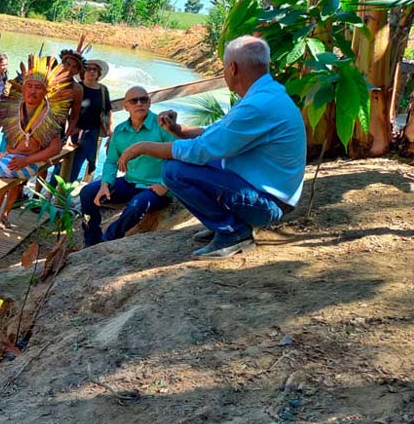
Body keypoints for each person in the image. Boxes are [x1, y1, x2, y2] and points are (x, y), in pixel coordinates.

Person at [118, 35, 307, 259]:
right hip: (265, 194)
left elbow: (201, 150)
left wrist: (142, 147)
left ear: (233, 68)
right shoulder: (264, 95)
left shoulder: (258, 105)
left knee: (174, 171)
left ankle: (233, 231)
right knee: (183, 163)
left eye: (223, 68)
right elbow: (217, 132)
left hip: (267, 204)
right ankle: (227, 223)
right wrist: (178, 129)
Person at [0, 55, 70, 242]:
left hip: (29, 161)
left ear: (45, 91)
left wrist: (28, 160)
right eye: (29, 86)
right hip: (10, 156)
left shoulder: (51, 113)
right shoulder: (12, 106)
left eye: (38, 87)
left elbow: (55, 148)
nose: (33, 91)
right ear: (23, 88)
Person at [78, 86, 176, 247]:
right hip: (130, 182)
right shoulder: (120, 130)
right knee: (88, 192)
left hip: (156, 187)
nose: (139, 104)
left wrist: (165, 184)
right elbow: (110, 162)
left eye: (143, 99)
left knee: (136, 206)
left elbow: (178, 156)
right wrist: (105, 184)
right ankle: (91, 239)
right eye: (134, 101)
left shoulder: (163, 126)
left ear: (149, 102)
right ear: (126, 106)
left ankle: (107, 240)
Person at [66, 59, 112, 183]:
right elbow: (65, 110)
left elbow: (108, 110)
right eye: (88, 69)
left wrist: (109, 129)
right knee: (62, 164)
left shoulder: (103, 90)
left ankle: (64, 197)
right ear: (83, 72)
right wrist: (68, 130)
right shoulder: (77, 88)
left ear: (98, 73)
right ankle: (50, 194)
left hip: (91, 132)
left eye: (94, 69)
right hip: (73, 131)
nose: (91, 72)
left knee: (76, 165)